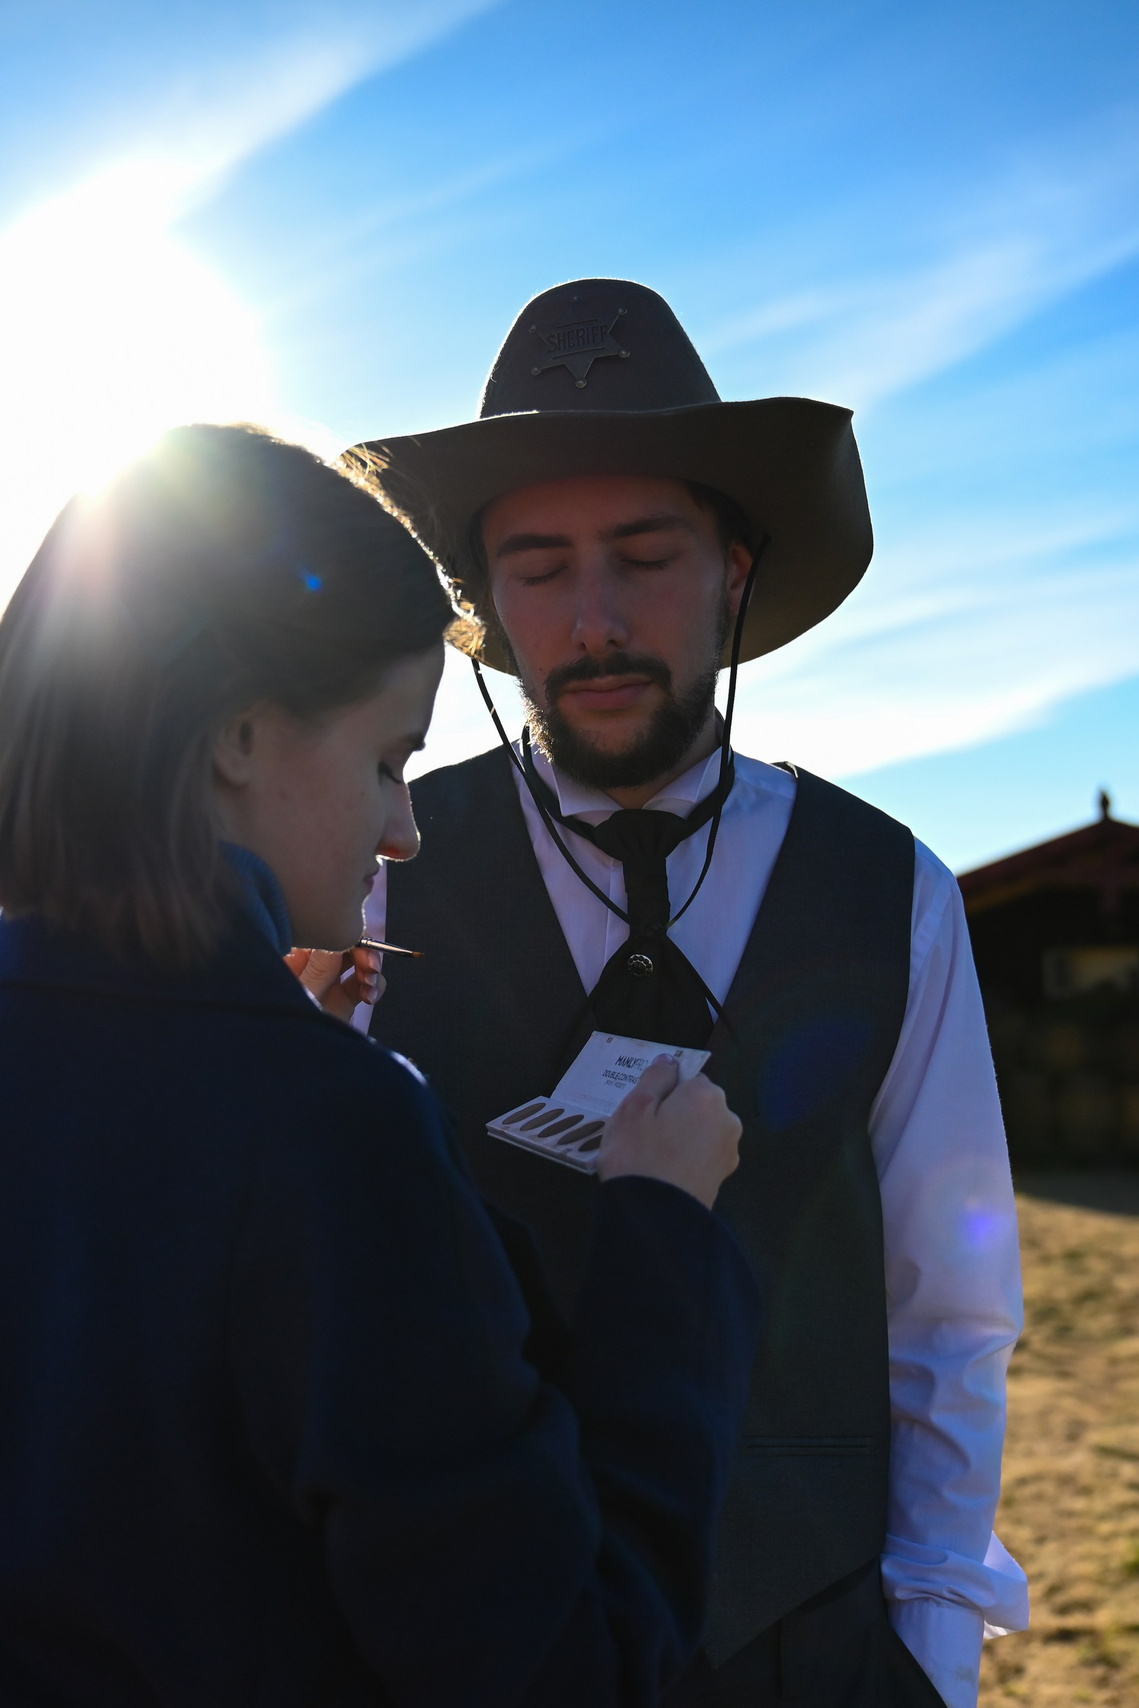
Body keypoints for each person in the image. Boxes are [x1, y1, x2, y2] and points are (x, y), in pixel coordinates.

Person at [0, 423, 761, 1706]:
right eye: (385, 758)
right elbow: (564, 1664)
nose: (404, 828)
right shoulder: (325, 1132)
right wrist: (661, 1231)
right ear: (241, 733)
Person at [357, 279, 1030, 1708]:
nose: (592, 619)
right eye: (538, 567)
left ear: (730, 571)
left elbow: (947, 1308)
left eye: (643, 555)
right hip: (476, 1650)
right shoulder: (377, 876)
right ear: (484, 605)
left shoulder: (889, 889)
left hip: (817, 1649)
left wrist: (926, 1654)